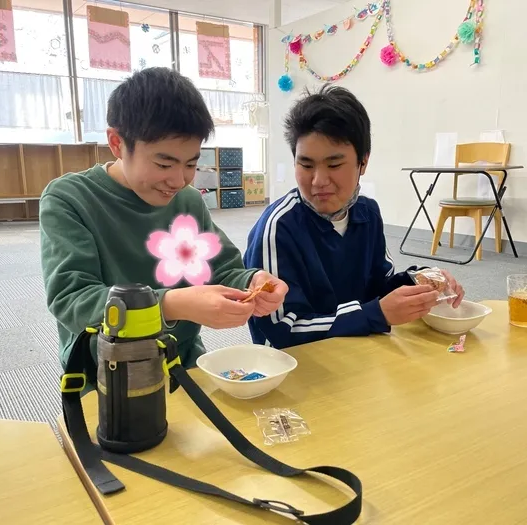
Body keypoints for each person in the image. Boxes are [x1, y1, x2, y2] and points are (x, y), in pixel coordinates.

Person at [40, 67, 287, 374]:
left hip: (181, 360)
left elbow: (221, 268)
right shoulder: (70, 199)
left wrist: (252, 282)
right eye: (163, 163)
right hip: (106, 370)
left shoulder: (187, 200)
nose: (178, 179)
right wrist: (171, 304)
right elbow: (72, 300)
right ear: (117, 143)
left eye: (191, 164)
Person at [243, 85, 464, 349]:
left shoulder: (367, 213)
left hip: (359, 350)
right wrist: (376, 314)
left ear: (363, 162)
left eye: (334, 165)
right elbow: (282, 329)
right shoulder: (278, 227)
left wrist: (421, 279)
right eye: (306, 164)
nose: (319, 181)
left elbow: (379, 288)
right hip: (301, 366)